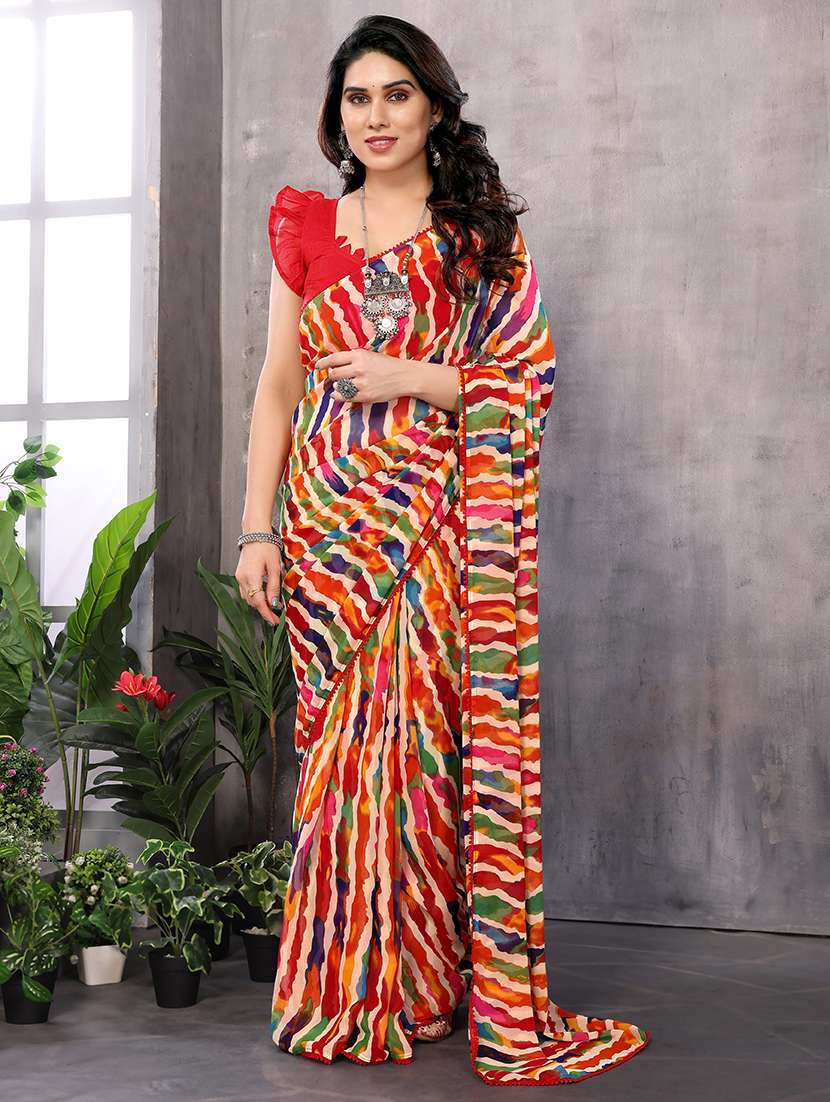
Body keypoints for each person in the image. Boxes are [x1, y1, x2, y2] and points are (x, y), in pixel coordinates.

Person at [235, 14, 651, 1086]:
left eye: (396, 95)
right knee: (342, 762)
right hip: (328, 526)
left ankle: (419, 980)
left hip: (431, 526)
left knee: (417, 757)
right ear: (336, 115)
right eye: (357, 98)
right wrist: (256, 526)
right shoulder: (304, 224)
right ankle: (346, 983)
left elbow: (527, 378)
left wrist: (413, 378)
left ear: (433, 107)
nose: (375, 117)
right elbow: (277, 386)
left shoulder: (478, 234)